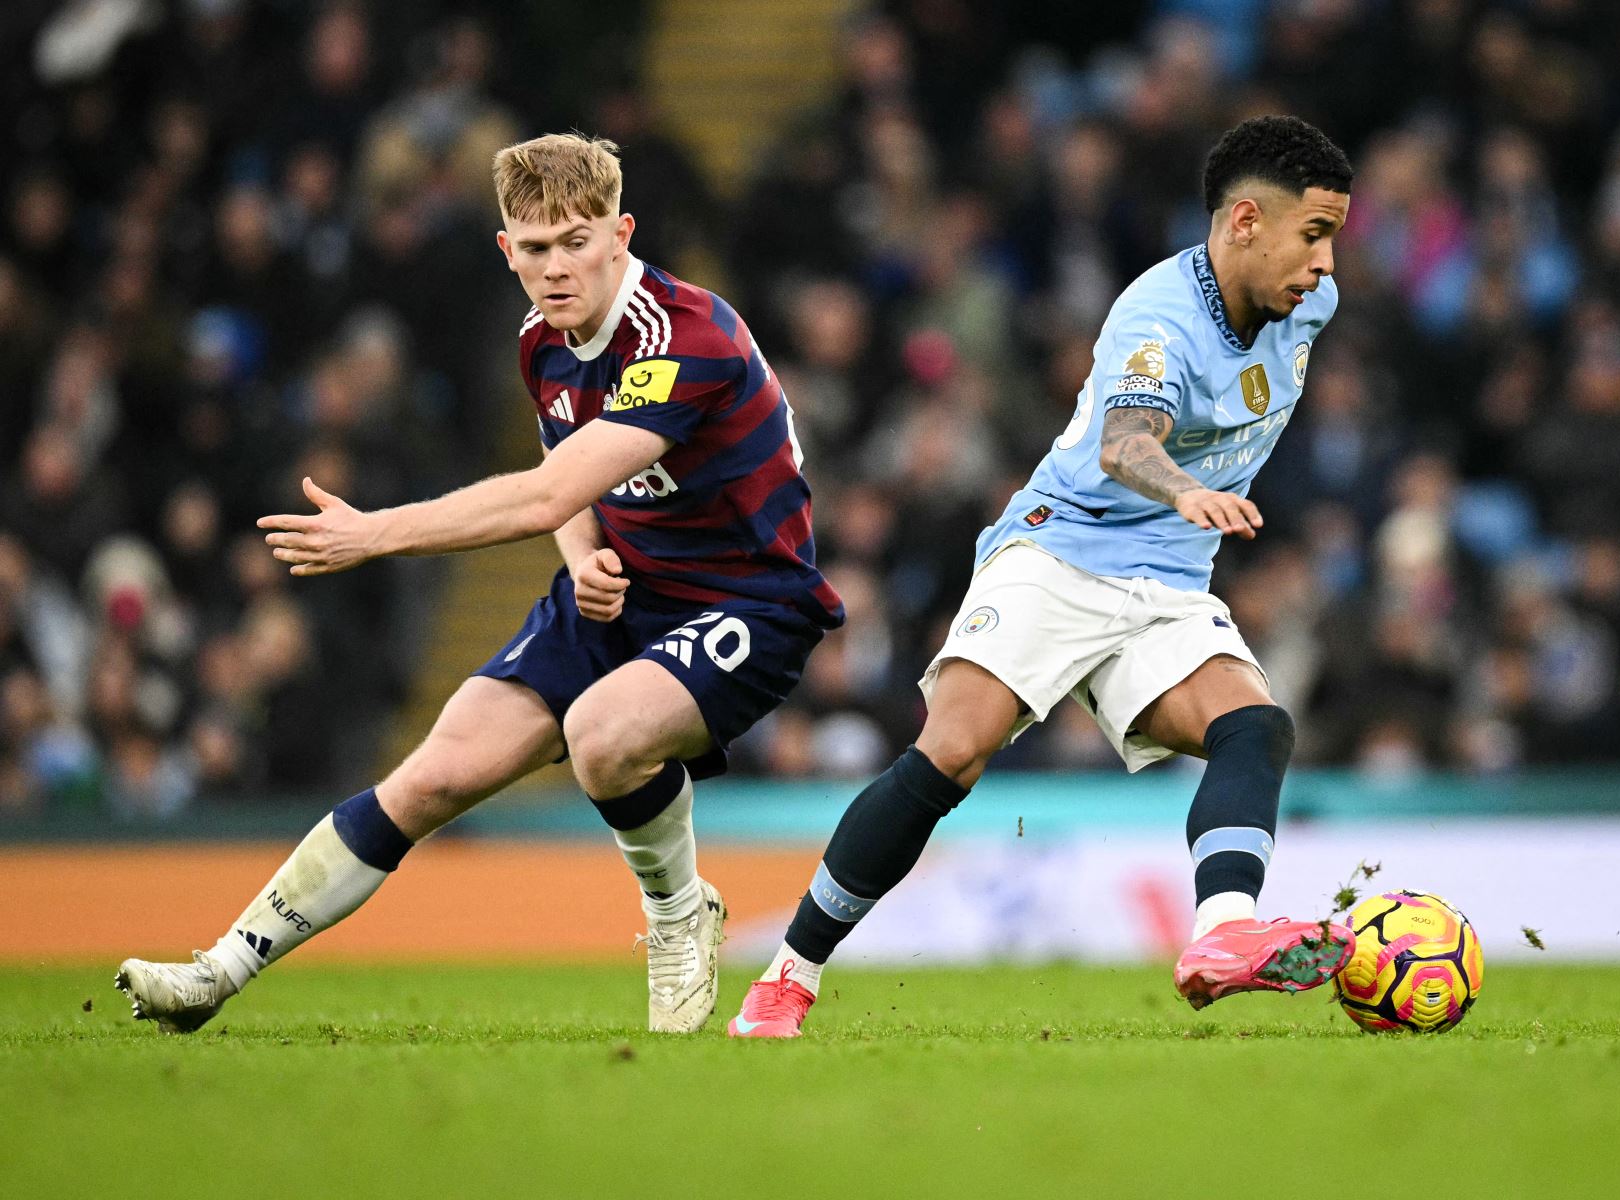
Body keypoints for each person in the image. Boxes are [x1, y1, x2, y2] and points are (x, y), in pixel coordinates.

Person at [116, 132, 843, 1034]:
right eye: (534, 248)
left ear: (621, 234)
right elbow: (567, 471)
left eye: (577, 241)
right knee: (430, 778)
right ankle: (216, 973)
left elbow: (545, 492)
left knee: (602, 736)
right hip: (625, 593)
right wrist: (582, 559)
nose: (556, 267)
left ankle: (676, 913)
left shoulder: (686, 336)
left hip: (750, 599)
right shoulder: (542, 341)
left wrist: (373, 532)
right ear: (507, 250)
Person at [729, 115, 1354, 1038]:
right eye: (1314, 235)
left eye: (1335, 237)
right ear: (1246, 222)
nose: (1329, 265)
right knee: (952, 754)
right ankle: (787, 975)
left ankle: (1224, 933)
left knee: (1254, 726)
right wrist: (1185, 491)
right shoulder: (1157, 316)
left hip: (1166, 584)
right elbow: (1126, 440)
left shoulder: (1310, 306)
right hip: (1062, 553)